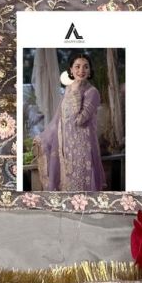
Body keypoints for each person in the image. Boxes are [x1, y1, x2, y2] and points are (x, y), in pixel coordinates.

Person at [35, 53, 106, 190]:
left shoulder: (92, 92)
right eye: (77, 66)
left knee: (83, 188)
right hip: (67, 147)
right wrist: (44, 137)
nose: (81, 70)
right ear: (71, 70)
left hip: (84, 148)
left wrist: (76, 92)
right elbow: (60, 117)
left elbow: (79, 120)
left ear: (90, 71)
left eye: (86, 67)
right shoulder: (68, 89)